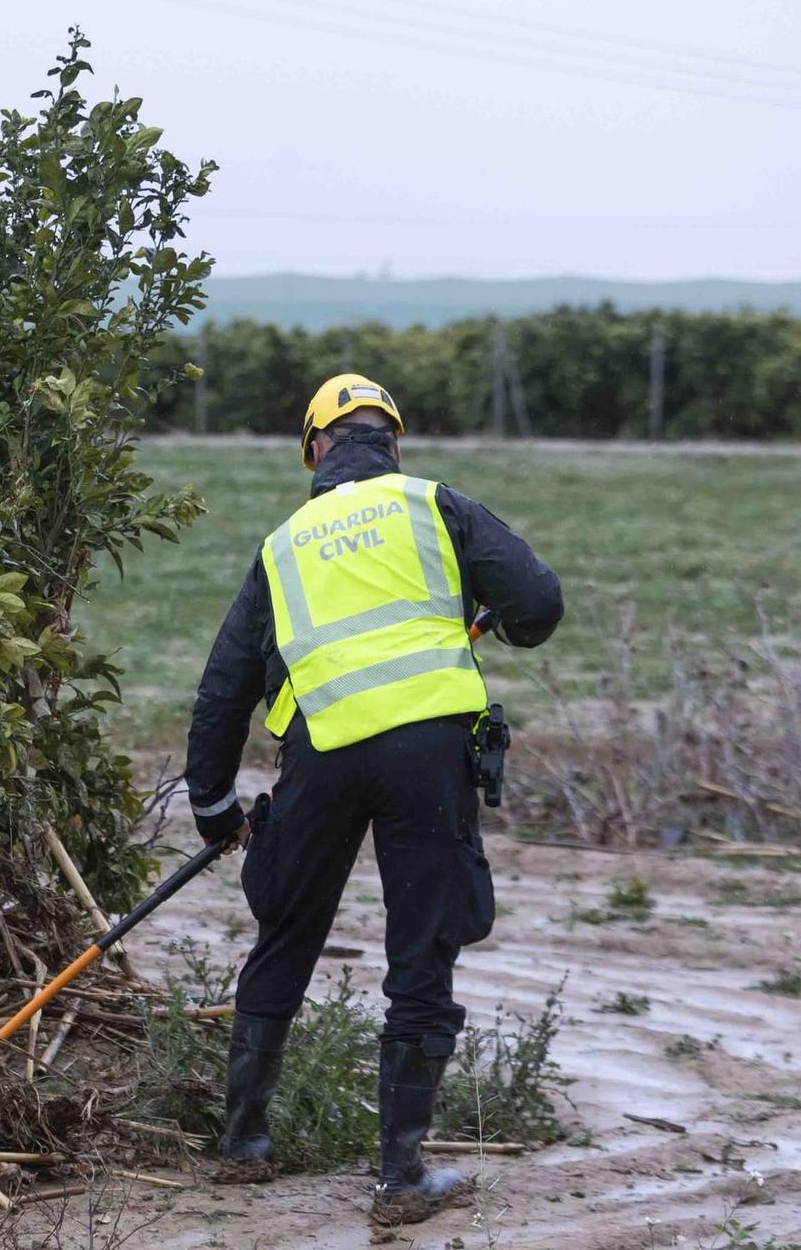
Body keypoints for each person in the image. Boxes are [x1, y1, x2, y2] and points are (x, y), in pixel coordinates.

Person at [183, 373, 563, 1225]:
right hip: (428, 756)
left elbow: (222, 688)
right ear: (392, 443)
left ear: (316, 450)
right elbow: (539, 602)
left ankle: (243, 1143)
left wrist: (214, 806)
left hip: (320, 755)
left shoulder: (282, 547)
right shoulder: (436, 505)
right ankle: (400, 1177)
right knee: (421, 952)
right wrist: (502, 619)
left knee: (286, 933)